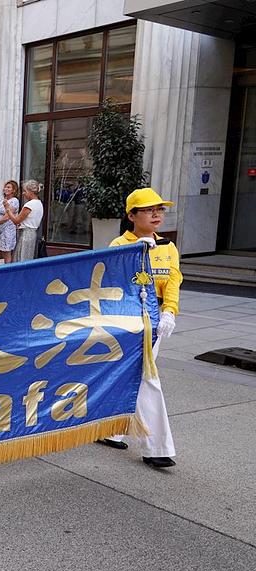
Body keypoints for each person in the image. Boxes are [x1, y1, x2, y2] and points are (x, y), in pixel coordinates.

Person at [96, 187, 181, 468]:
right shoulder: (120, 246)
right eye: (148, 209)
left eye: (160, 209)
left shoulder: (168, 247)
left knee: (135, 375)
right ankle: (156, 447)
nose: (156, 214)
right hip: (130, 319)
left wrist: (169, 311)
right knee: (147, 378)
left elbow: (173, 281)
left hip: (157, 319)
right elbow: (111, 284)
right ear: (131, 215)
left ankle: (111, 428)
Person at [2, 180, 43, 262]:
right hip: (33, 233)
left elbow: (16, 221)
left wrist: (7, 209)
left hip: (26, 234)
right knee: (28, 257)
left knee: (22, 258)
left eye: (25, 191)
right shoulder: (39, 203)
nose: (23, 193)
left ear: (31, 192)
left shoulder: (29, 205)